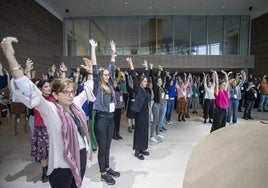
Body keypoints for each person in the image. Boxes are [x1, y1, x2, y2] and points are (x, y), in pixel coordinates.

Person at [1, 36, 95, 188]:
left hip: (81, 156)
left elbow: (89, 88)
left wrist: (91, 70)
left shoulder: (76, 104)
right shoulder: (50, 109)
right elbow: (27, 88)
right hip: (62, 164)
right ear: (56, 95)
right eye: (66, 92)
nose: (71, 95)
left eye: (72, 91)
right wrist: (10, 56)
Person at [90, 39, 120, 185]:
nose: (108, 76)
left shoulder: (110, 84)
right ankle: (103, 173)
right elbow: (95, 67)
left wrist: (113, 51)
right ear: (101, 75)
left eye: (109, 74)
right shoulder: (98, 86)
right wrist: (93, 48)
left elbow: (112, 66)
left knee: (108, 146)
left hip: (111, 118)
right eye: (105, 74)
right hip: (101, 119)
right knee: (102, 148)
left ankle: (107, 168)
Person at [31, 79, 55, 183]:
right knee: (43, 152)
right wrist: (27, 71)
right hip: (41, 128)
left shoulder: (54, 98)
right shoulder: (37, 98)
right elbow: (30, 88)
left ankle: (53, 169)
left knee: (53, 150)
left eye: (49, 86)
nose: (49, 88)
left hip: (52, 127)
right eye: (46, 86)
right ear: (40, 89)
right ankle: (45, 172)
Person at [127, 57, 150, 160]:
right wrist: (131, 63)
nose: (145, 83)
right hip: (140, 114)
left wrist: (146, 68)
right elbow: (133, 76)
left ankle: (142, 148)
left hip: (145, 113)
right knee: (139, 131)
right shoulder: (138, 88)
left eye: (146, 81)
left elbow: (148, 77)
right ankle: (137, 151)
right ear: (140, 82)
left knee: (145, 131)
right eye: (144, 81)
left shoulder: (145, 90)